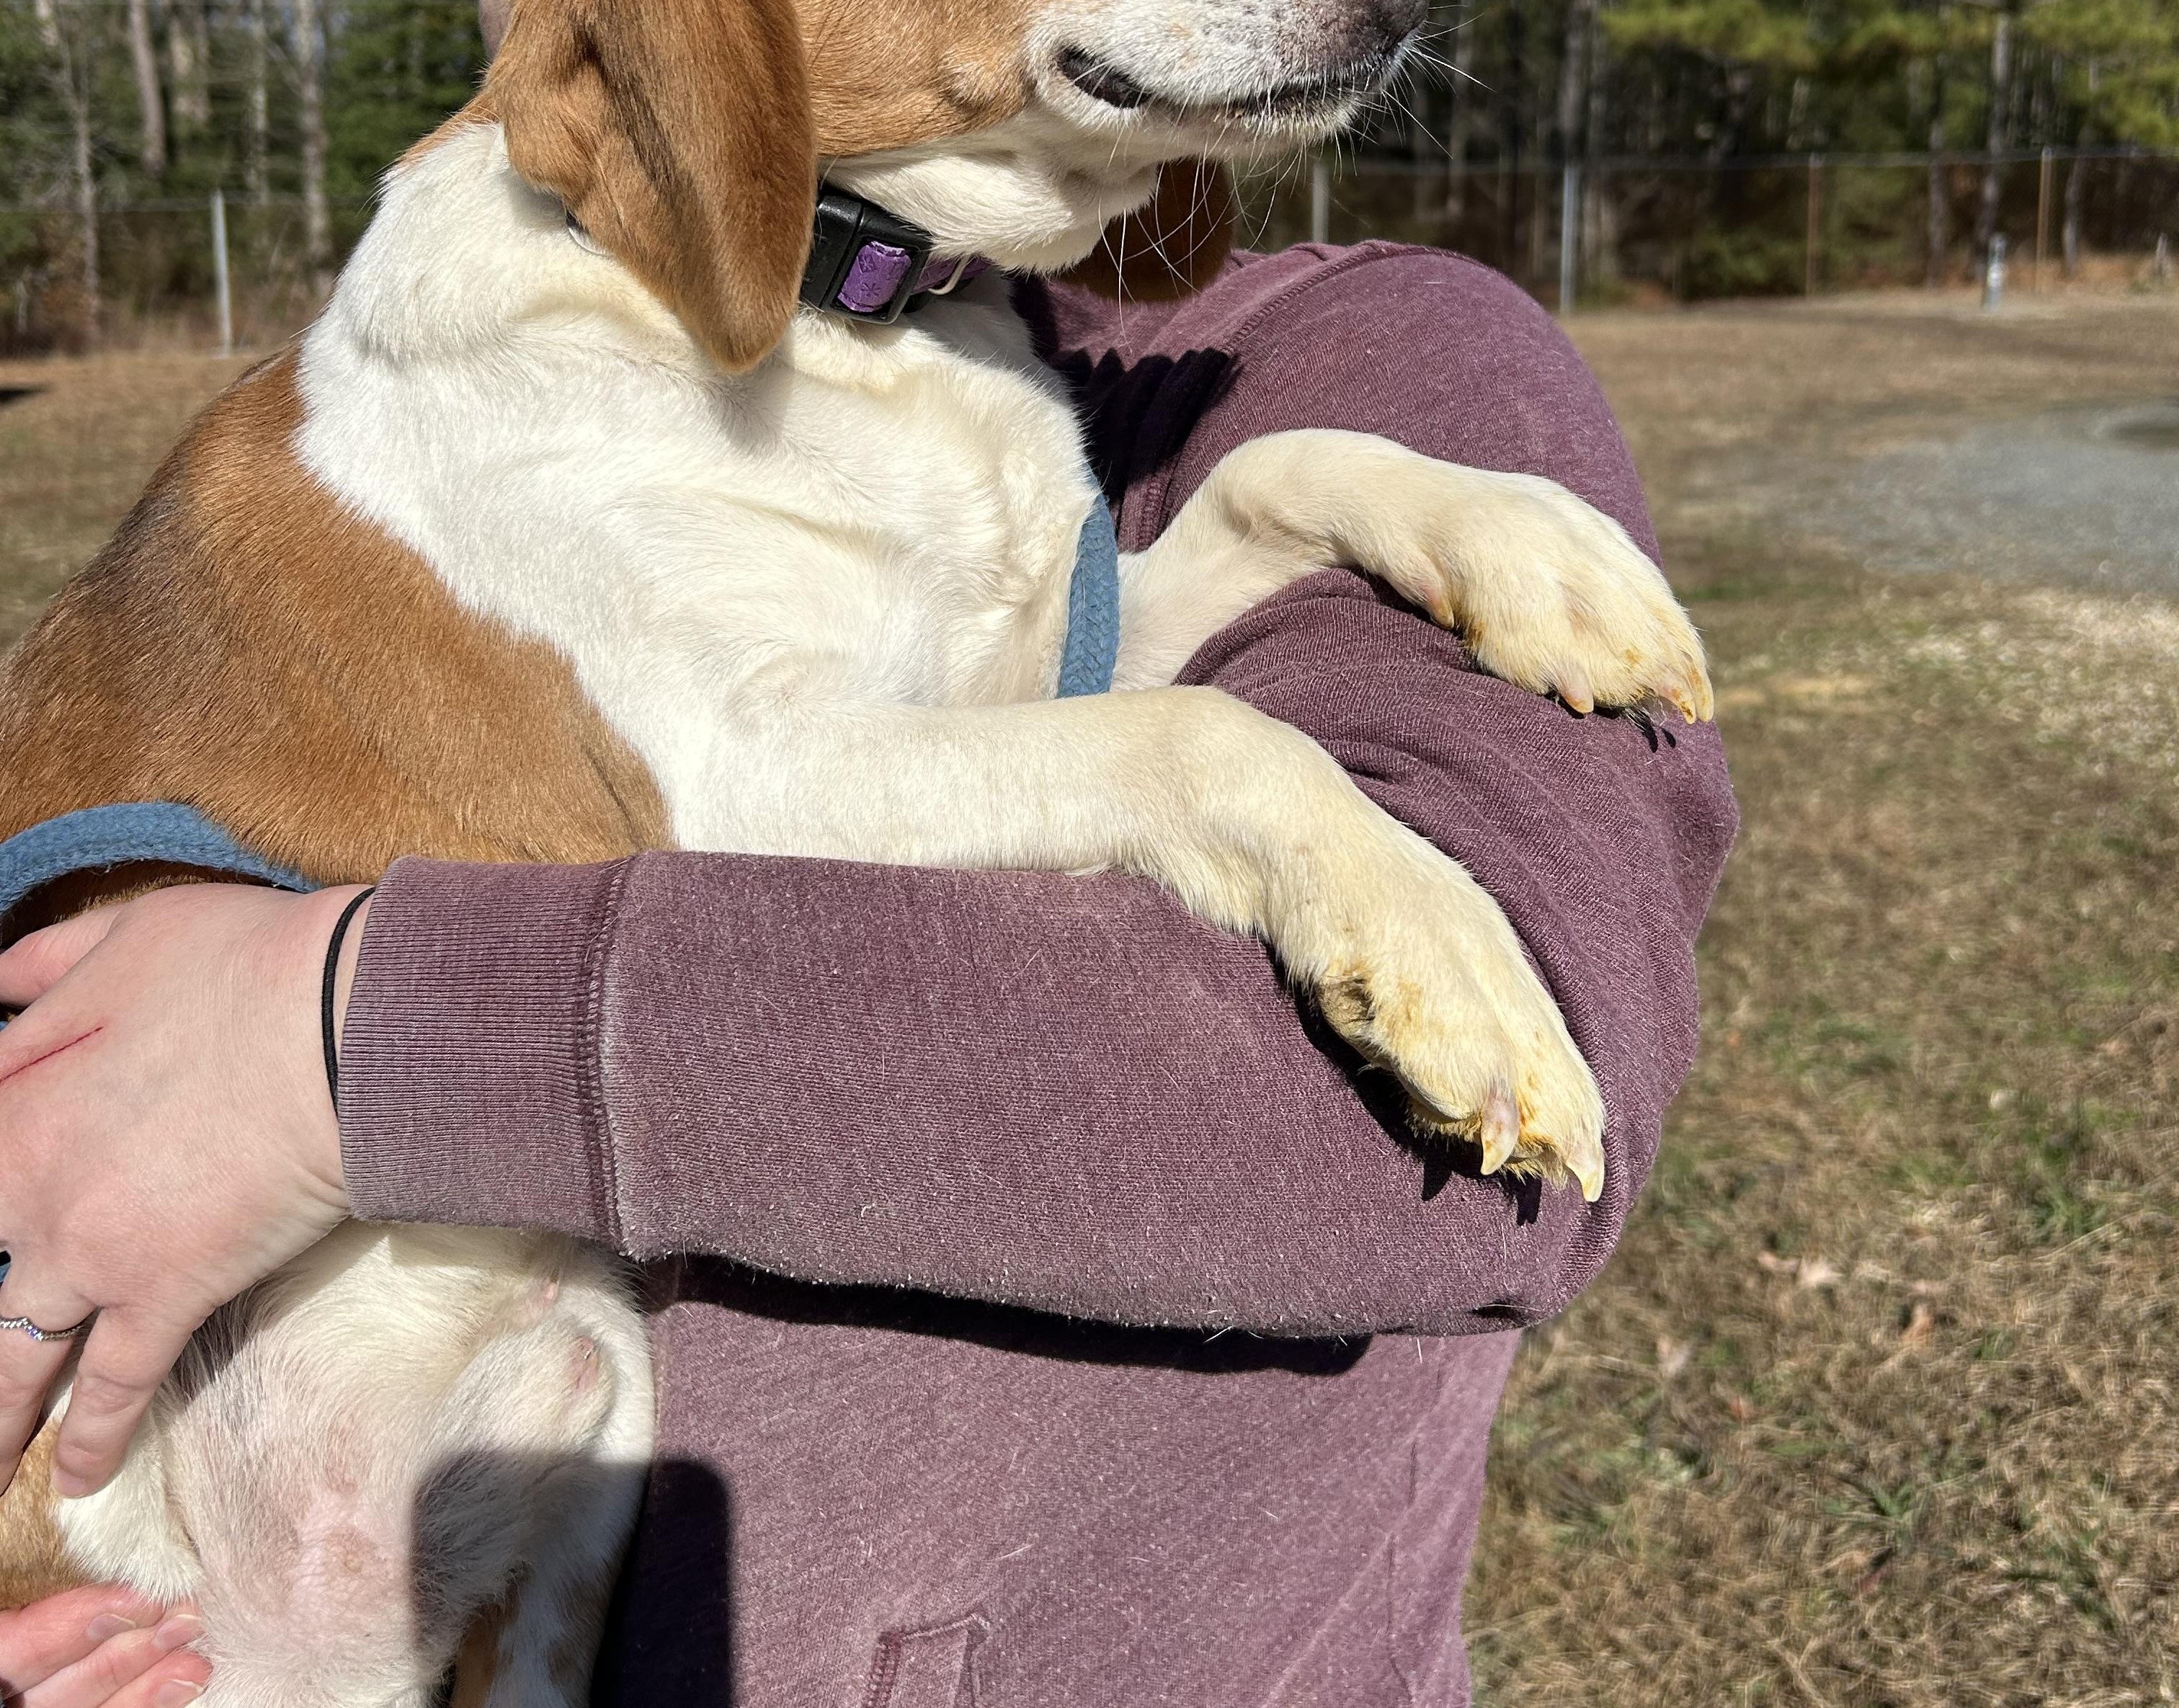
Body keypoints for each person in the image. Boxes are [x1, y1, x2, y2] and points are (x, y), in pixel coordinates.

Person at [0, 241, 1736, 1707]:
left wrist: (343, 1035)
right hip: (219, 1516)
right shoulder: (526, 391)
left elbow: (1448, 1150)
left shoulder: (1358, 348)